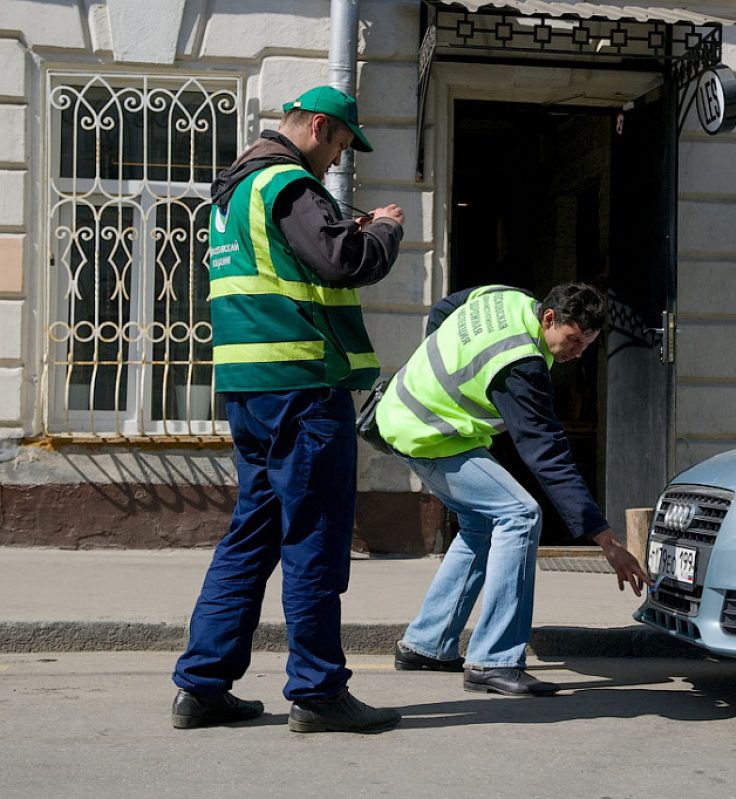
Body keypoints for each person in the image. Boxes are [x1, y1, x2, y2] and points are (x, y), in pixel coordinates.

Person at [171, 86, 405, 733]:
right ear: (319, 128)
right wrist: (383, 230)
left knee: (253, 531)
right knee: (315, 535)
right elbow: (341, 260)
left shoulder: (232, 194)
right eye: (338, 145)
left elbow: (288, 265)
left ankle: (202, 684)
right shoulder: (289, 184)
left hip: (249, 391)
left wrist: (338, 230)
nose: (334, 161)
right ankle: (318, 690)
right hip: (302, 390)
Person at [374, 282, 650, 696]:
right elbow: (548, 455)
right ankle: (495, 659)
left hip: (408, 416)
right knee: (519, 514)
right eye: (573, 340)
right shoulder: (521, 365)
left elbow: (445, 308)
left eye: (587, 344)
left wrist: (432, 366)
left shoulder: (504, 296)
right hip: (427, 435)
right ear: (550, 318)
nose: (577, 353)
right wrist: (606, 540)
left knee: (482, 524)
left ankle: (426, 645)